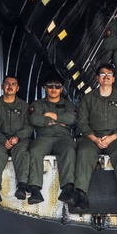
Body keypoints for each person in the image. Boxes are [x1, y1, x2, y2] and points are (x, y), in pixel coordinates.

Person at [73, 63, 117, 211]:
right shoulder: (88, 98)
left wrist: (112, 137)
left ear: (113, 79)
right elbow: (82, 123)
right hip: (92, 138)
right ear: (97, 78)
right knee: (84, 153)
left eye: (109, 75)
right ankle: (81, 196)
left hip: (115, 138)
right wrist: (94, 138)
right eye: (102, 74)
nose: (106, 77)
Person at [26, 71, 77, 205]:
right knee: (34, 150)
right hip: (44, 137)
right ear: (44, 87)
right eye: (50, 86)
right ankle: (35, 189)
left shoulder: (69, 104)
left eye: (57, 86)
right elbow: (33, 118)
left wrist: (53, 116)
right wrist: (52, 122)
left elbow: (71, 118)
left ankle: (67, 188)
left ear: (62, 88)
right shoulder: (38, 104)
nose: (53, 89)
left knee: (69, 150)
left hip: (63, 137)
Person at [0, 74, 33, 205]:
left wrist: (17, 137)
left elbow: (29, 127)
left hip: (19, 139)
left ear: (17, 88)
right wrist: (2, 140)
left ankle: (22, 186)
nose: (10, 86)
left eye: (13, 84)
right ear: (2, 87)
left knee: (22, 152)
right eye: (7, 83)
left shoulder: (24, 106)